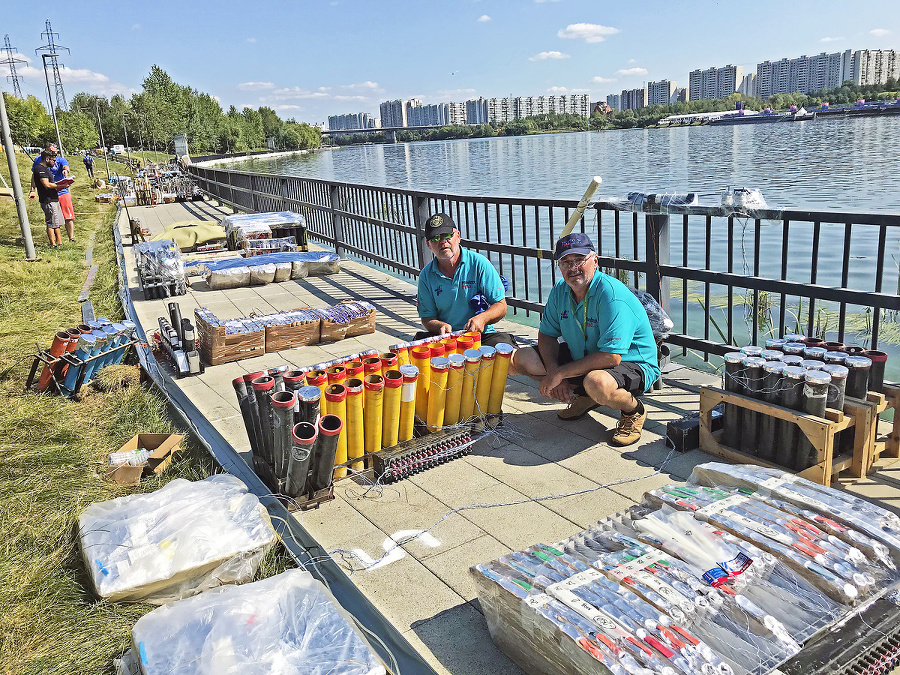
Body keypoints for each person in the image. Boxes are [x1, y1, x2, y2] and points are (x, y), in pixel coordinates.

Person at [511, 232, 661, 446]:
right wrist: (554, 371)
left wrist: (560, 373)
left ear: (595, 261)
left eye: (579, 260)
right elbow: (546, 334)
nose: (572, 268)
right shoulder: (560, 290)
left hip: (632, 362)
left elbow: (611, 357)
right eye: (565, 262)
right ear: (559, 267)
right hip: (586, 356)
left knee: (597, 382)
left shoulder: (611, 294)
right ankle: (586, 396)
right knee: (520, 358)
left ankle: (632, 409)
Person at [416, 213, 515, 348]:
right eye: (436, 237)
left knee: (511, 357)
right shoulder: (426, 276)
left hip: (482, 335)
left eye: (447, 235)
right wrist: (440, 326)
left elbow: (501, 305)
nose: (443, 241)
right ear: (428, 244)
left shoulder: (479, 263)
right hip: (446, 338)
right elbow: (427, 318)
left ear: (458, 236)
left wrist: (482, 319)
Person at [29, 144, 75, 242]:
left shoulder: (60, 160)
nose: (54, 157)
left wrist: (65, 171)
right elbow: (34, 176)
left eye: (55, 153)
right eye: (52, 154)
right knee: (52, 218)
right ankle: (55, 242)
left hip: (62, 192)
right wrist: (32, 190)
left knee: (68, 216)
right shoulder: (39, 162)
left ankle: (70, 237)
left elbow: (66, 166)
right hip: (49, 194)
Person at [32, 150, 63, 249]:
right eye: (53, 160)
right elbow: (46, 184)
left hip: (54, 198)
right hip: (48, 199)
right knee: (51, 222)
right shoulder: (39, 169)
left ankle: (59, 242)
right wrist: (61, 185)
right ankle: (53, 244)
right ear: (47, 159)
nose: (54, 162)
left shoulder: (46, 169)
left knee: (56, 222)